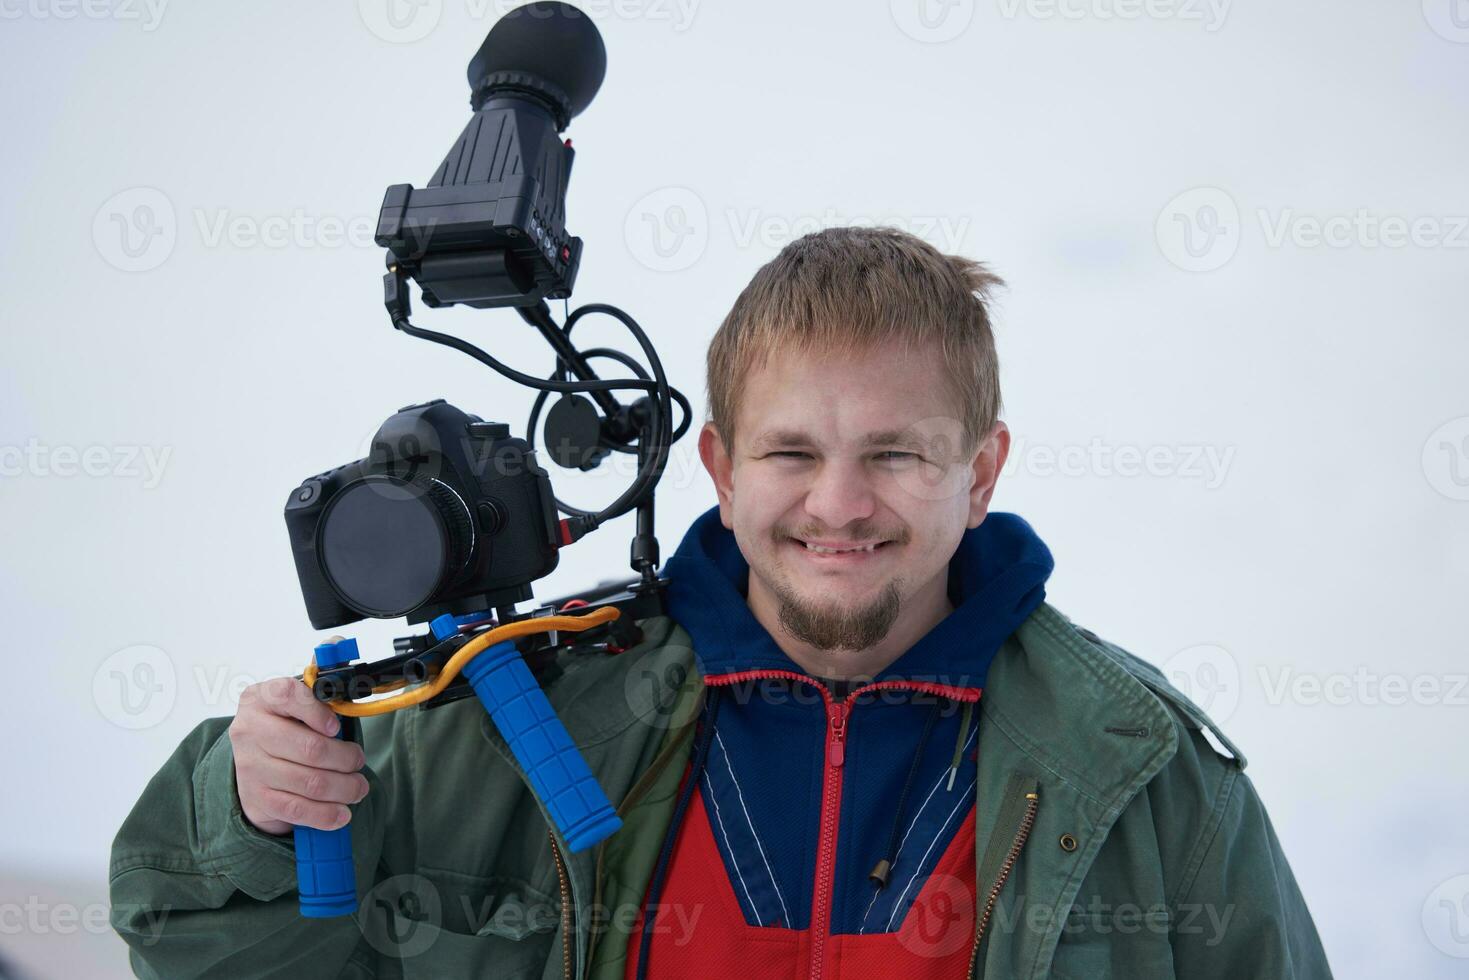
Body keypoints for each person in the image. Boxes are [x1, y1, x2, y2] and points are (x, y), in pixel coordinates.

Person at [111, 226, 1333, 979]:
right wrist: (256, 814)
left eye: (896, 453)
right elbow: (205, 947)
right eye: (792, 452)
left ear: (983, 470)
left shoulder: (1140, 771)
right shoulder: (516, 726)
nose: (839, 505)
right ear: (718, 466)